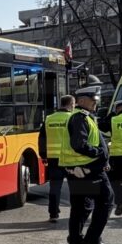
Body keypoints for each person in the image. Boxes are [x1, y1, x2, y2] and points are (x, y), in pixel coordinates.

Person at [62, 86, 114, 244]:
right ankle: (92, 239)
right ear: (82, 100)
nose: (95, 103)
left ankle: (75, 240)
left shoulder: (84, 117)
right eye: (93, 100)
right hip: (89, 170)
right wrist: (99, 153)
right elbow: (79, 144)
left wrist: (104, 158)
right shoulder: (80, 118)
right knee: (106, 200)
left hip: (80, 170)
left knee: (81, 206)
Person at [38, 94, 76, 223]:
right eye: (74, 104)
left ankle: (53, 214)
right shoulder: (73, 117)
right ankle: (77, 213)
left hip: (53, 159)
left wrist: (43, 155)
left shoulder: (49, 119)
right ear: (71, 104)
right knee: (75, 187)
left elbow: (42, 138)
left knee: (55, 187)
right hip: (71, 159)